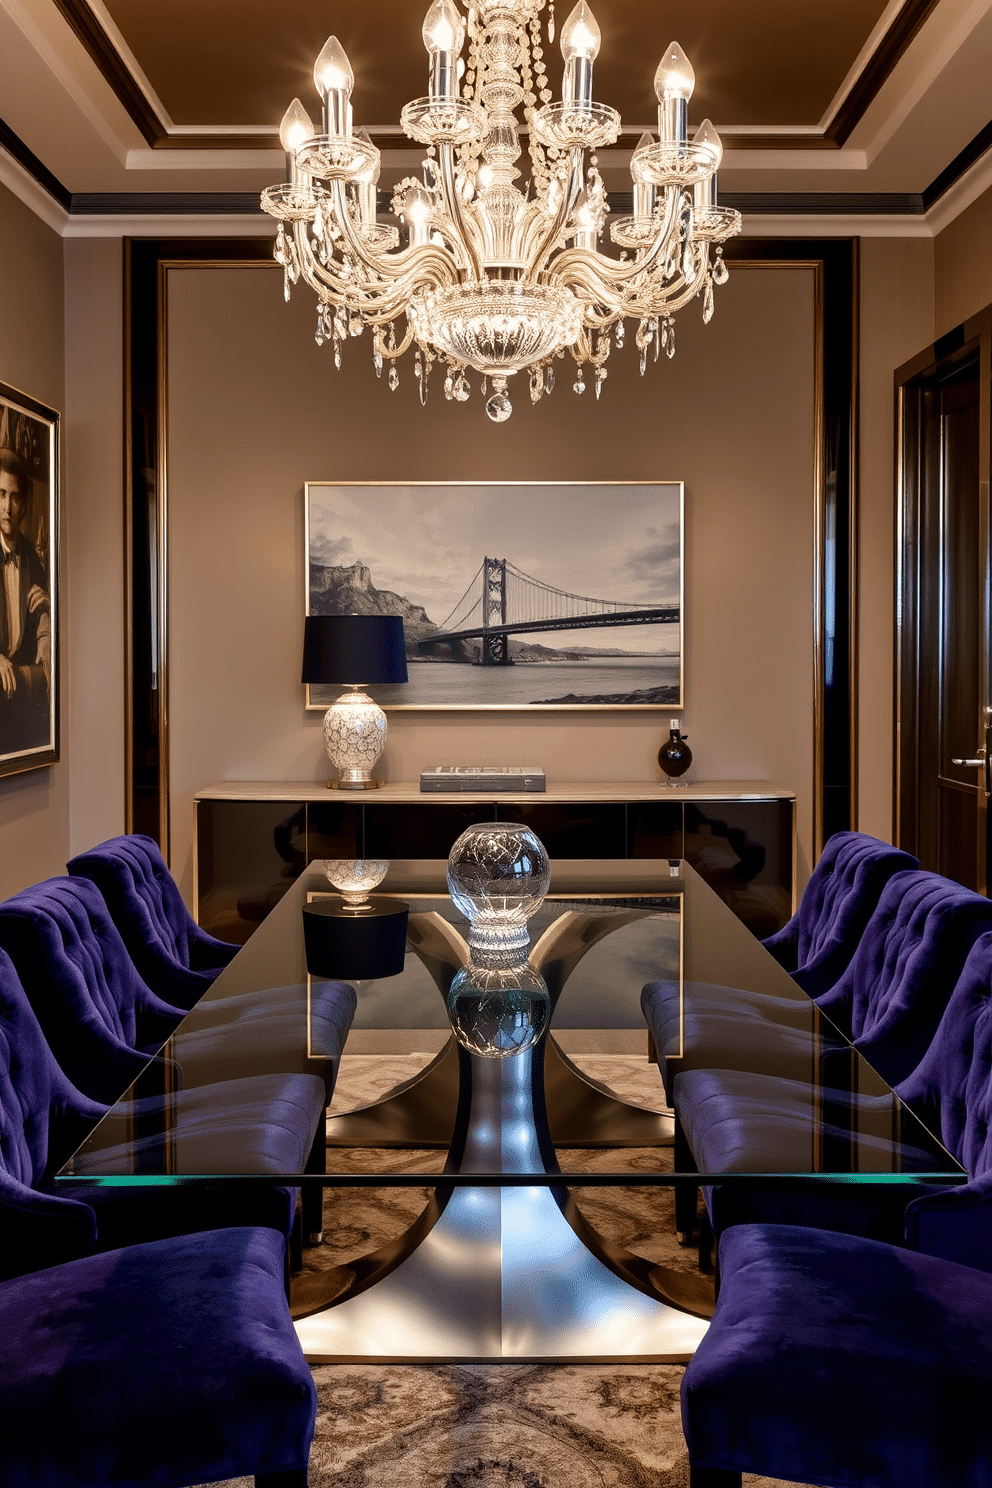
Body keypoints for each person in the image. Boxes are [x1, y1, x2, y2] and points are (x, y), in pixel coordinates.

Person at [0, 446, 51, 756]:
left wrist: (48, 606)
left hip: (24, 706)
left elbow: (45, 636)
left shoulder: (34, 560)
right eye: (1, 494)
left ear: (24, 504)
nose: (7, 507)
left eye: (15, 497)